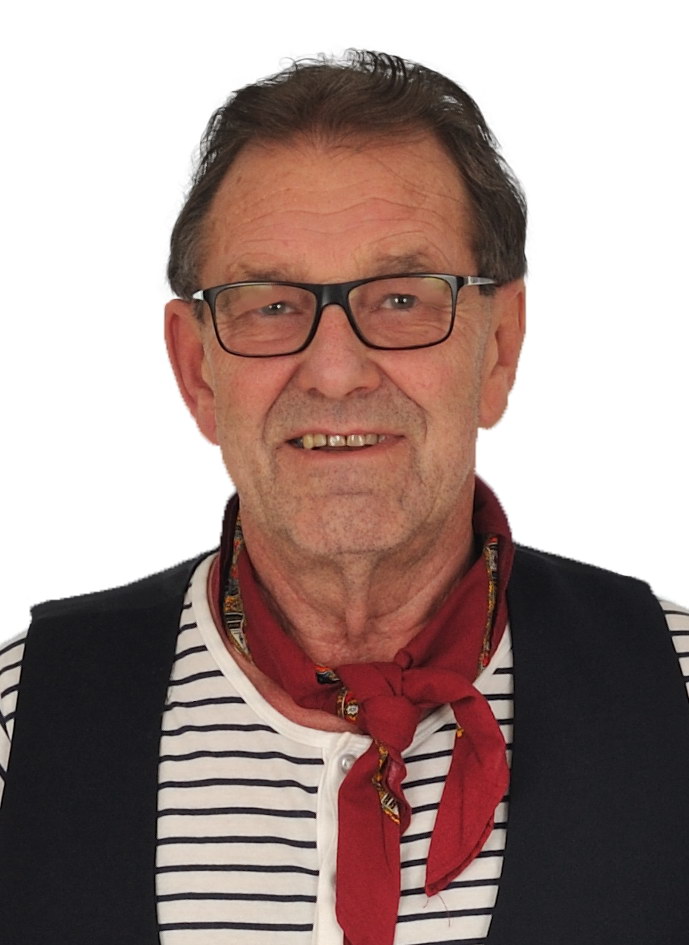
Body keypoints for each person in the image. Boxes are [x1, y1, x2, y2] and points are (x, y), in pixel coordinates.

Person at [1, 50, 688, 945]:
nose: (333, 371)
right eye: (270, 305)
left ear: (498, 347)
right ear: (196, 368)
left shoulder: (674, 693)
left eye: (401, 298)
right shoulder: (22, 722)